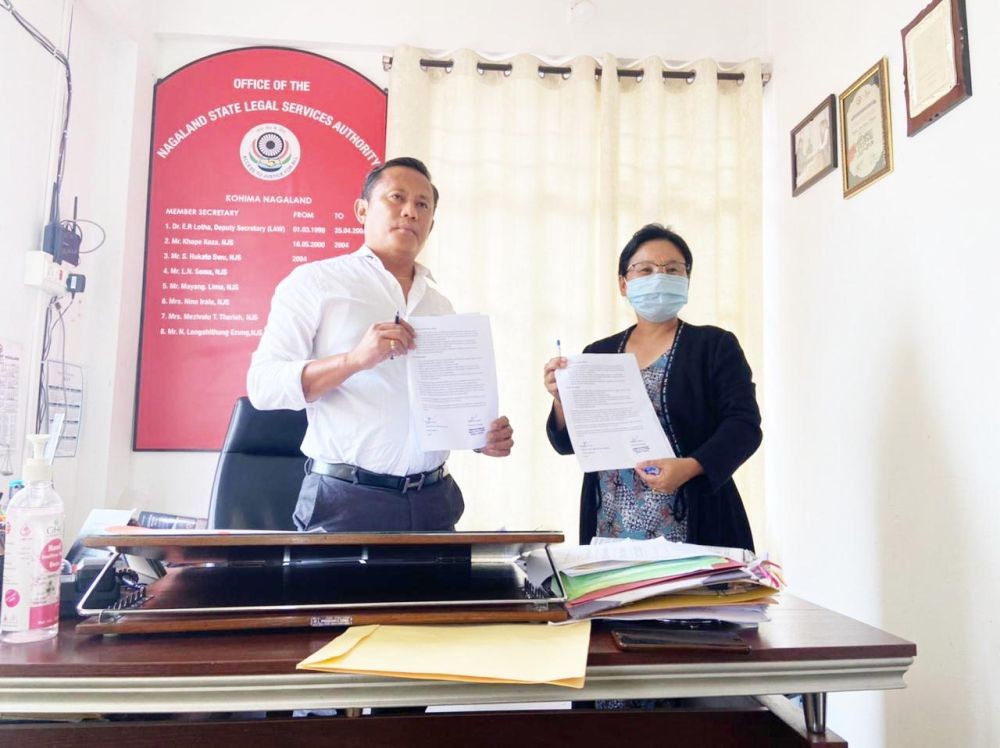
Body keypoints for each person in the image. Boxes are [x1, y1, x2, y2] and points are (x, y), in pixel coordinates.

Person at [248, 156, 514, 532]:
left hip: (435, 501)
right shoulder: (314, 282)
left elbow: (437, 407)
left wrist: (477, 436)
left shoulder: (440, 306)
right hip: (345, 501)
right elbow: (263, 387)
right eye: (396, 198)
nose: (410, 212)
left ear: (431, 224)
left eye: (422, 205)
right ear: (362, 210)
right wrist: (355, 360)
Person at [543, 223, 760, 550]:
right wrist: (562, 400)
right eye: (644, 270)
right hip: (610, 523)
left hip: (694, 520)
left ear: (686, 280)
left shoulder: (715, 346)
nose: (659, 277)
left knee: (695, 601)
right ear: (623, 284)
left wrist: (690, 467)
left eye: (672, 269)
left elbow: (744, 426)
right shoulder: (598, 353)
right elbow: (568, 443)